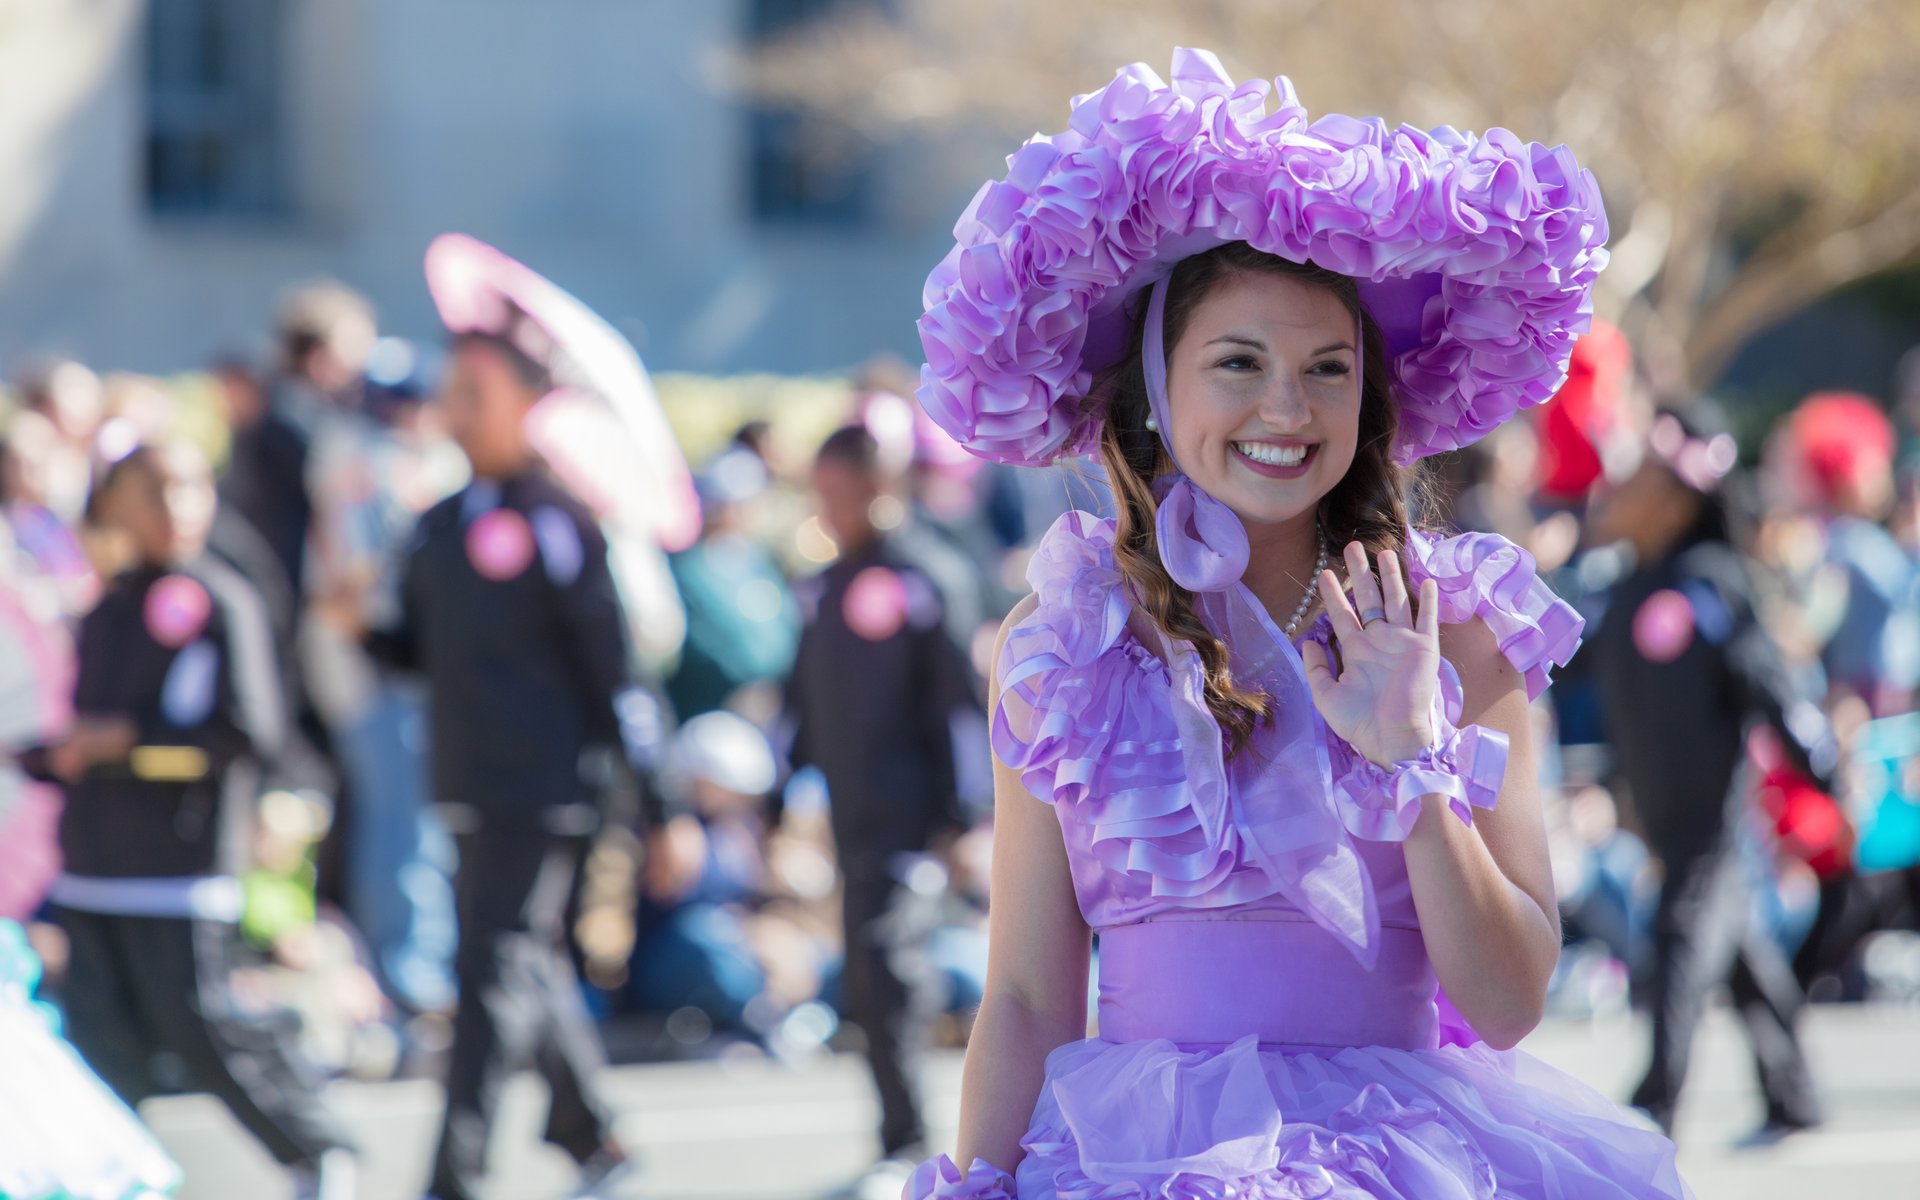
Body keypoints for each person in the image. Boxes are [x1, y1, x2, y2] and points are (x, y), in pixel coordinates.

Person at [903, 50, 1685, 1199]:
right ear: (1157, 396)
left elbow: (1510, 1004)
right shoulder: (1061, 644)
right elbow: (1024, 995)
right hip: (1132, 1164)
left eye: (1329, 367)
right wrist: (975, 1183)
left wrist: (1412, 758)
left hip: (1406, 1157)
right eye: (1238, 363)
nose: (1287, 408)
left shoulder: (1456, 628)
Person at [366, 294, 671, 1200]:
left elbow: (613, 668)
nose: (453, 407)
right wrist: (354, 624)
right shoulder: (438, 520)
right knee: (517, 960)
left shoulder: (560, 518)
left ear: (526, 401)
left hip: (543, 788)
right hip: (462, 776)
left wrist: (658, 801)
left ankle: (453, 1176)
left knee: (489, 966)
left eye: (474, 390)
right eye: (450, 390)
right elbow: (411, 649)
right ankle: (594, 1136)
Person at [31, 443, 355, 1200]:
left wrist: (130, 743)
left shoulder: (221, 602)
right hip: (95, 864)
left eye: (188, 491)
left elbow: (248, 733)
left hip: (178, 862)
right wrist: (56, 753)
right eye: (154, 493)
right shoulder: (104, 606)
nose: (173, 510)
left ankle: (312, 1146)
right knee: (101, 1043)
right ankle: (113, 1177)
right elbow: (63, 726)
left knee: (200, 1027)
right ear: (116, 505)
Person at [1584, 405, 1832, 1138]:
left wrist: (1819, 766)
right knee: (1742, 951)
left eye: (1637, 477)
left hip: (1712, 817)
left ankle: (1654, 1103)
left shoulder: (1711, 582)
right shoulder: (1624, 588)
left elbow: (1768, 684)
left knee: (1681, 940)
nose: (1616, 489)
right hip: (1661, 812)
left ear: (1677, 494)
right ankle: (1794, 1094)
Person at [786, 424, 983, 1167]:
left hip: (914, 817)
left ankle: (910, 1143)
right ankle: (899, 1131)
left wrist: (964, 817)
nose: (826, 509)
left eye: (838, 494)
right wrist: (781, 797)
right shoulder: (825, 585)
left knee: (886, 963)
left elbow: (960, 706)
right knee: (870, 976)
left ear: (880, 488)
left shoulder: (926, 577)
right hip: (850, 813)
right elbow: (800, 701)